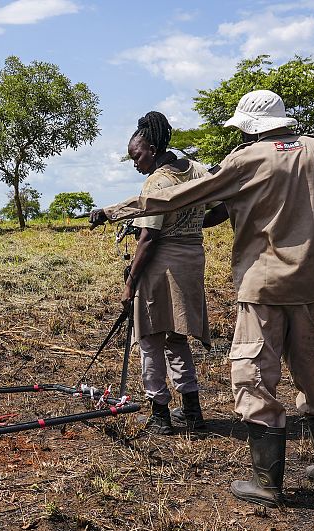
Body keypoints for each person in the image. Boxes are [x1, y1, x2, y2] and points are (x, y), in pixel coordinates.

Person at [90, 90, 314, 508]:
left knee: (253, 376)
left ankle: (267, 482)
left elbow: (179, 198)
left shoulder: (245, 159)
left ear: (249, 126)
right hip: (310, 288)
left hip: (261, 288)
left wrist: (114, 210)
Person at [102, 112, 224, 434]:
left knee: (149, 337)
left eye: (137, 156)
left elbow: (148, 238)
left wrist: (130, 284)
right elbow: (223, 208)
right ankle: (193, 411)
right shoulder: (198, 170)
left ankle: (160, 414)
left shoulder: (157, 181)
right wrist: (193, 227)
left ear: (152, 149)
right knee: (176, 337)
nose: (135, 163)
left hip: (160, 266)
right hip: (192, 262)